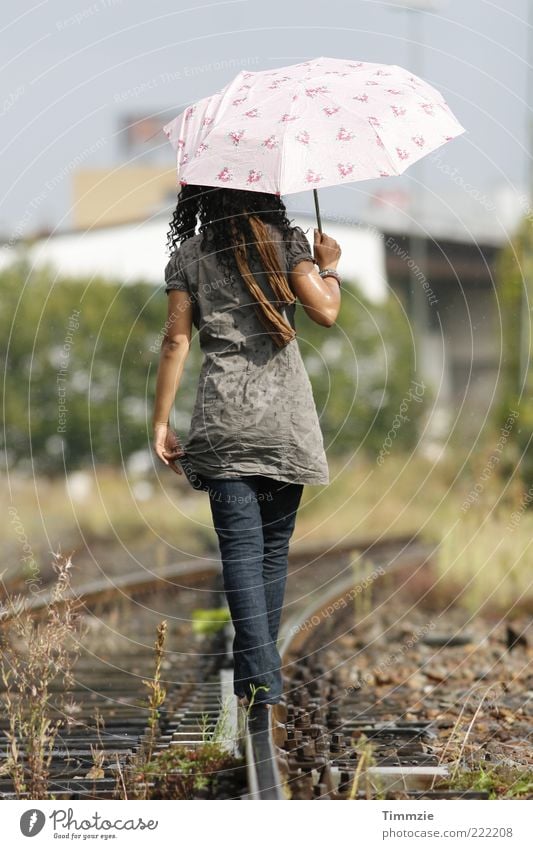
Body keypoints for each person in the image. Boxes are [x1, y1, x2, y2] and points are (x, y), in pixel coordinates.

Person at [152, 184, 341, 710]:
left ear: (204, 197)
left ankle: (258, 680)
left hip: (225, 423)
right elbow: (327, 312)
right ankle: (261, 677)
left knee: (240, 551)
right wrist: (329, 267)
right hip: (286, 424)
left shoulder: (189, 256)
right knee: (273, 552)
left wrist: (161, 421)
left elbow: (175, 341)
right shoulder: (288, 246)